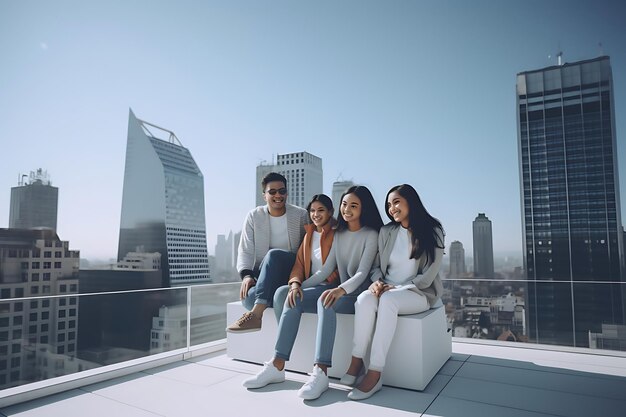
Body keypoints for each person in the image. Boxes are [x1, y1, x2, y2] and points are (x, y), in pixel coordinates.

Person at [342, 184, 445, 400]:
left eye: (396, 202)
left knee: (388, 300)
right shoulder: (387, 231)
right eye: (389, 205)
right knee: (363, 300)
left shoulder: (433, 229)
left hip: (418, 292)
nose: (392, 208)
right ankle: (357, 360)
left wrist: (398, 288)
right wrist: (377, 282)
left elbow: (429, 273)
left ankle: (375, 372)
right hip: (387, 287)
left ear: (411, 202)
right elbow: (377, 266)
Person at [241, 194, 339, 389]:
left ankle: (318, 372)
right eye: (312, 211)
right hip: (309, 284)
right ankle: (277, 366)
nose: (316, 215)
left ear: (330, 212)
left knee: (298, 297)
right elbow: (299, 265)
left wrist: (302, 286)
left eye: (320, 210)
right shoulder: (309, 234)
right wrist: (295, 283)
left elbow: (329, 270)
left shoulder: (338, 234)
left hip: (329, 285)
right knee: (281, 293)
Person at [295, 185, 383, 400]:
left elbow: (363, 272)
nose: (347, 210)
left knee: (326, 300)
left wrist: (340, 289)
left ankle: (321, 369)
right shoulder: (339, 234)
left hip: (362, 294)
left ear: (364, 209)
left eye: (354, 206)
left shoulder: (371, 234)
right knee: (316, 297)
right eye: (344, 204)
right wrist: (299, 285)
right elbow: (325, 269)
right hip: (344, 292)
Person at [226, 172, 308, 332]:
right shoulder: (254, 216)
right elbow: (246, 249)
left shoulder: (300, 215)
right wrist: (247, 275)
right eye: (272, 192)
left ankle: (256, 315)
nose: (278, 195)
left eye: (282, 191)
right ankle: (262, 303)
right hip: (266, 273)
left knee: (274, 254)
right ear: (264, 195)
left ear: (287, 193)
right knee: (249, 298)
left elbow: (308, 247)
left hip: (291, 269)